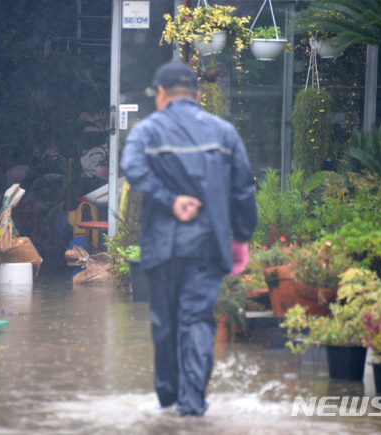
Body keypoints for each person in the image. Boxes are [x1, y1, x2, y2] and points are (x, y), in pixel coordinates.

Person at [119, 61, 257, 416]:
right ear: (197, 96)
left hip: (162, 248)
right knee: (197, 320)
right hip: (208, 246)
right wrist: (240, 239)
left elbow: (132, 169)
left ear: (162, 94)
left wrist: (169, 199)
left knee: (165, 325)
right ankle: (192, 403)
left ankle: (168, 398)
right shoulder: (224, 133)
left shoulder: (146, 131)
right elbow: (243, 190)